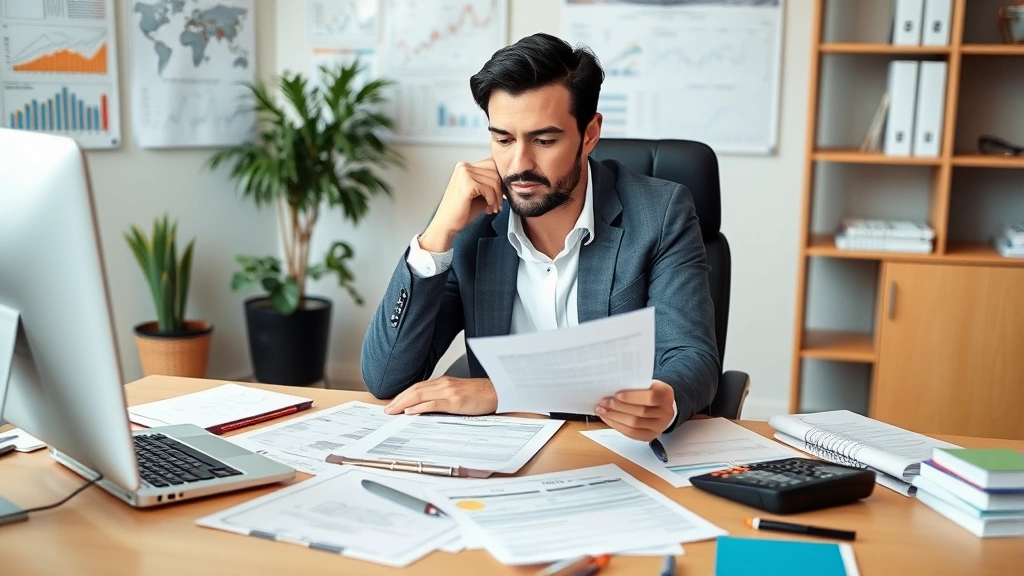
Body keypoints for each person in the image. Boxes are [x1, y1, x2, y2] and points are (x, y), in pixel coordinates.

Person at [361, 33, 719, 442]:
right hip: (502, 453)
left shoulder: (660, 212)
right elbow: (386, 377)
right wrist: (436, 236)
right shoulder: (469, 222)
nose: (519, 165)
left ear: (589, 134)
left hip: (613, 451)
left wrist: (665, 398)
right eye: (503, 139)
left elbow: (693, 357)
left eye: (544, 140)